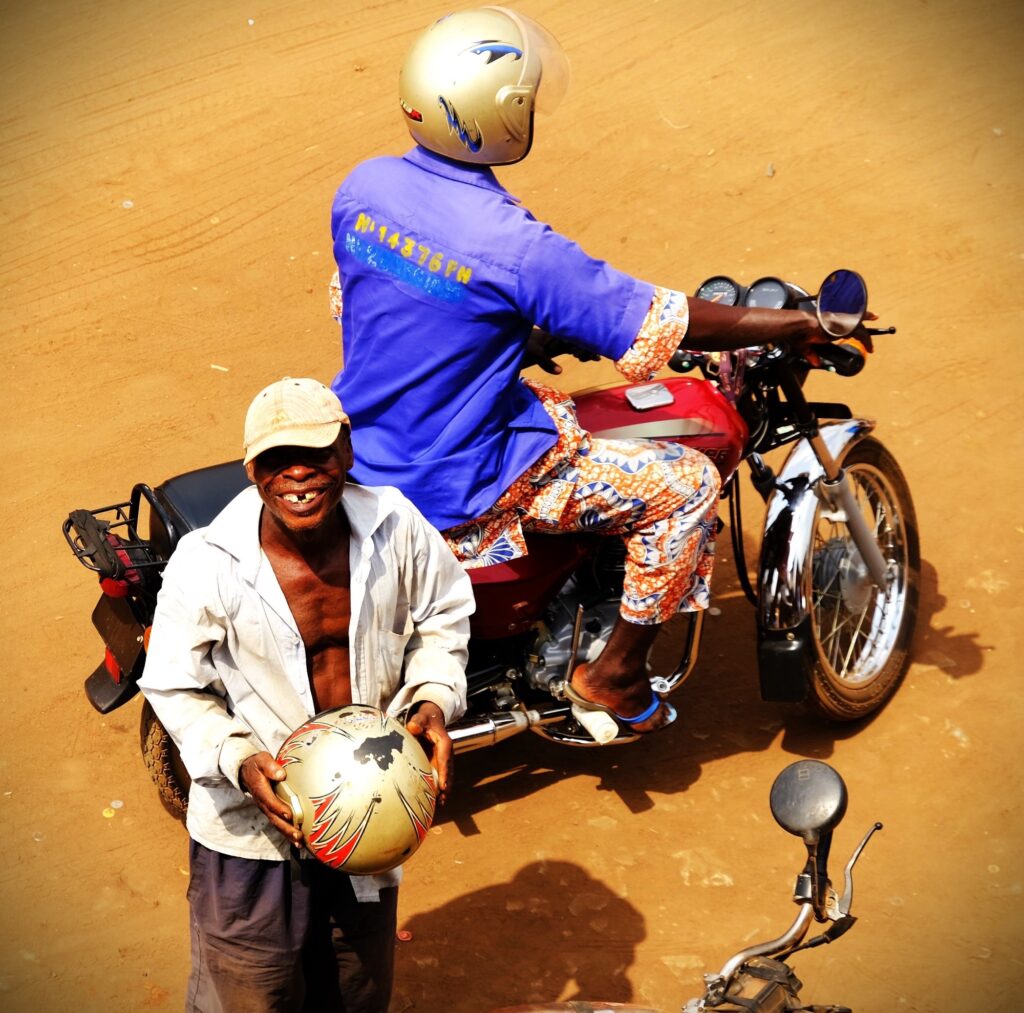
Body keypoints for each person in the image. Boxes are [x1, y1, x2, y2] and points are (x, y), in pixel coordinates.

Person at [327, 7, 844, 735]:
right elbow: (656, 318)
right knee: (686, 483)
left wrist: (515, 335)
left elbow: (388, 301)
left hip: (370, 439)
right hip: (463, 474)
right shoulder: (514, 244)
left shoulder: (364, 187)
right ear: (502, 114)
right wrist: (794, 321)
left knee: (556, 405)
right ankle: (615, 673)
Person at [138, 377, 474, 1013]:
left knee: (354, 988)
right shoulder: (207, 561)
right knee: (247, 993)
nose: (297, 474)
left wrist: (431, 698)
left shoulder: (396, 526)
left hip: (369, 816)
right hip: (252, 830)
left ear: (344, 451)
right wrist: (237, 758)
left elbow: (444, 616)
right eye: (274, 460)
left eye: (314, 454)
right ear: (251, 471)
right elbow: (173, 686)